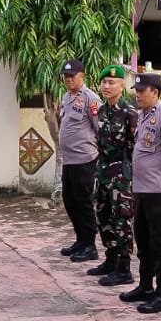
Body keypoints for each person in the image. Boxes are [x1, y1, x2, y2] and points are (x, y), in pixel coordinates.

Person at [122, 74, 161, 314]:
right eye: (136, 90)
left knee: (160, 243)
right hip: (142, 189)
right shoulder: (143, 114)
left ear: (155, 92)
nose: (137, 95)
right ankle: (146, 285)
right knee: (143, 239)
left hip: (159, 189)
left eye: (142, 91)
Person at [89, 65, 140, 286]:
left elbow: (136, 146)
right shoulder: (102, 111)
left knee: (121, 218)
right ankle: (110, 259)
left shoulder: (130, 112)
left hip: (121, 174)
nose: (107, 86)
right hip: (103, 171)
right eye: (104, 82)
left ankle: (124, 268)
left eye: (112, 82)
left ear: (121, 85)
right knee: (103, 215)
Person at [56, 58, 102, 263]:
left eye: (72, 76)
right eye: (65, 76)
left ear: (81, 76)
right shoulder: (66, 97)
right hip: (69, 160)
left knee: (83, 202)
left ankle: (90, 245)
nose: (68, 79)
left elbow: (100, 128)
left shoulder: (91, 99)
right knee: (69, 200)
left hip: (85, 160)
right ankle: (80, 240)